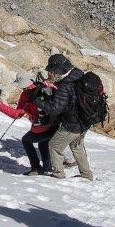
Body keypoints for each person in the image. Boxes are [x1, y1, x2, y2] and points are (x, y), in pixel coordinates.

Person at [34, 53, 94, 181]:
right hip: (85, 121)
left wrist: (37, 100)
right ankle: (87, 175)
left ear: (57, 70)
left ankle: (58, 174)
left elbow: (55, 109)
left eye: (51, 71)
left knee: (54, 146)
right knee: (77, 147)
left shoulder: (65, 85)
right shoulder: (78, 75)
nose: (50, 74)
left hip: (71, 124)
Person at [0, 71, 57, 175]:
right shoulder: (46, 86)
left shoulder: (26, 95)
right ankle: (47, 168)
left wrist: (0, 106)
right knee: (43, 143)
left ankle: (36, 168)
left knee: (26, 140)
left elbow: (17, 114)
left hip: (41, 127)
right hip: (54, 125)